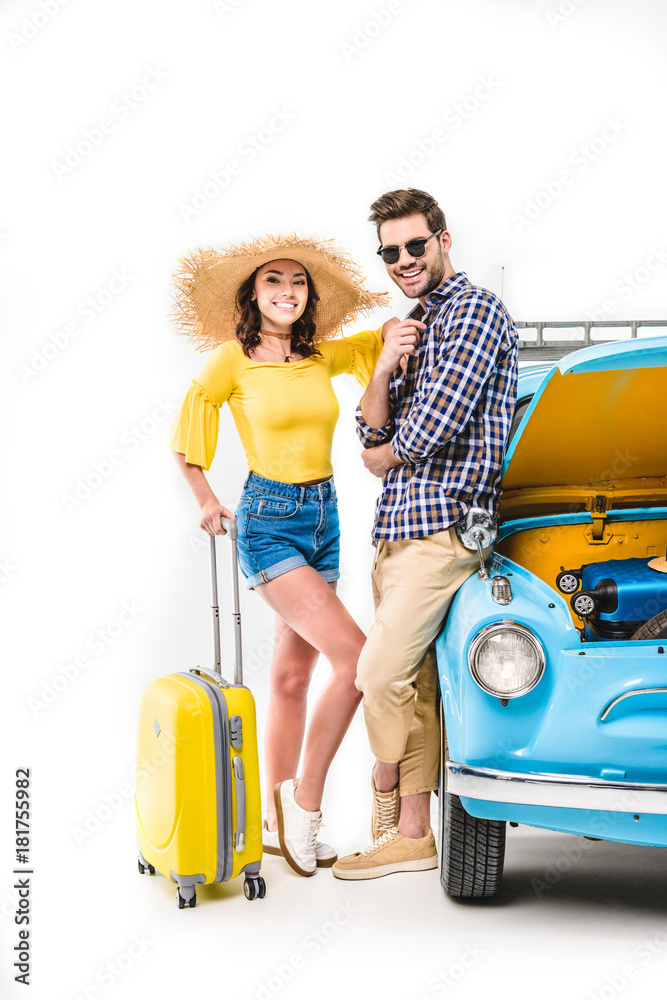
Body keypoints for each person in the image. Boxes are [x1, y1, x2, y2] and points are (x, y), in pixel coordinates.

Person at [168, 234, 389, 877]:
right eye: (273, 282)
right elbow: (188, 431)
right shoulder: (231, 362)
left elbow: (386, 347)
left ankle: (272, 823)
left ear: (309, 297)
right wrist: (207, 499)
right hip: (269, 520)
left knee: (292, 680)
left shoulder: (324, 358)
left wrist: (407, 331)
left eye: (297, 282)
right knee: (358, 659)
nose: (287, 291)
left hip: (324, 520)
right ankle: (305, 803)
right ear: (252, 296)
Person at [332, 189, 519, 880]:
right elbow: (366, 429)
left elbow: (425, 427)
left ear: (443, 240)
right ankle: (412, 834)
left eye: (416, 244)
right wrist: (383, 365)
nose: (404, 259)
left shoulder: (472, 312)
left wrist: (386, 453)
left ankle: (383, 784)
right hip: (396, 529)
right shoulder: (411, 324)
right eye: (390, 251)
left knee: (376, 676)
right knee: (410, 683)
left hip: (442, 529)